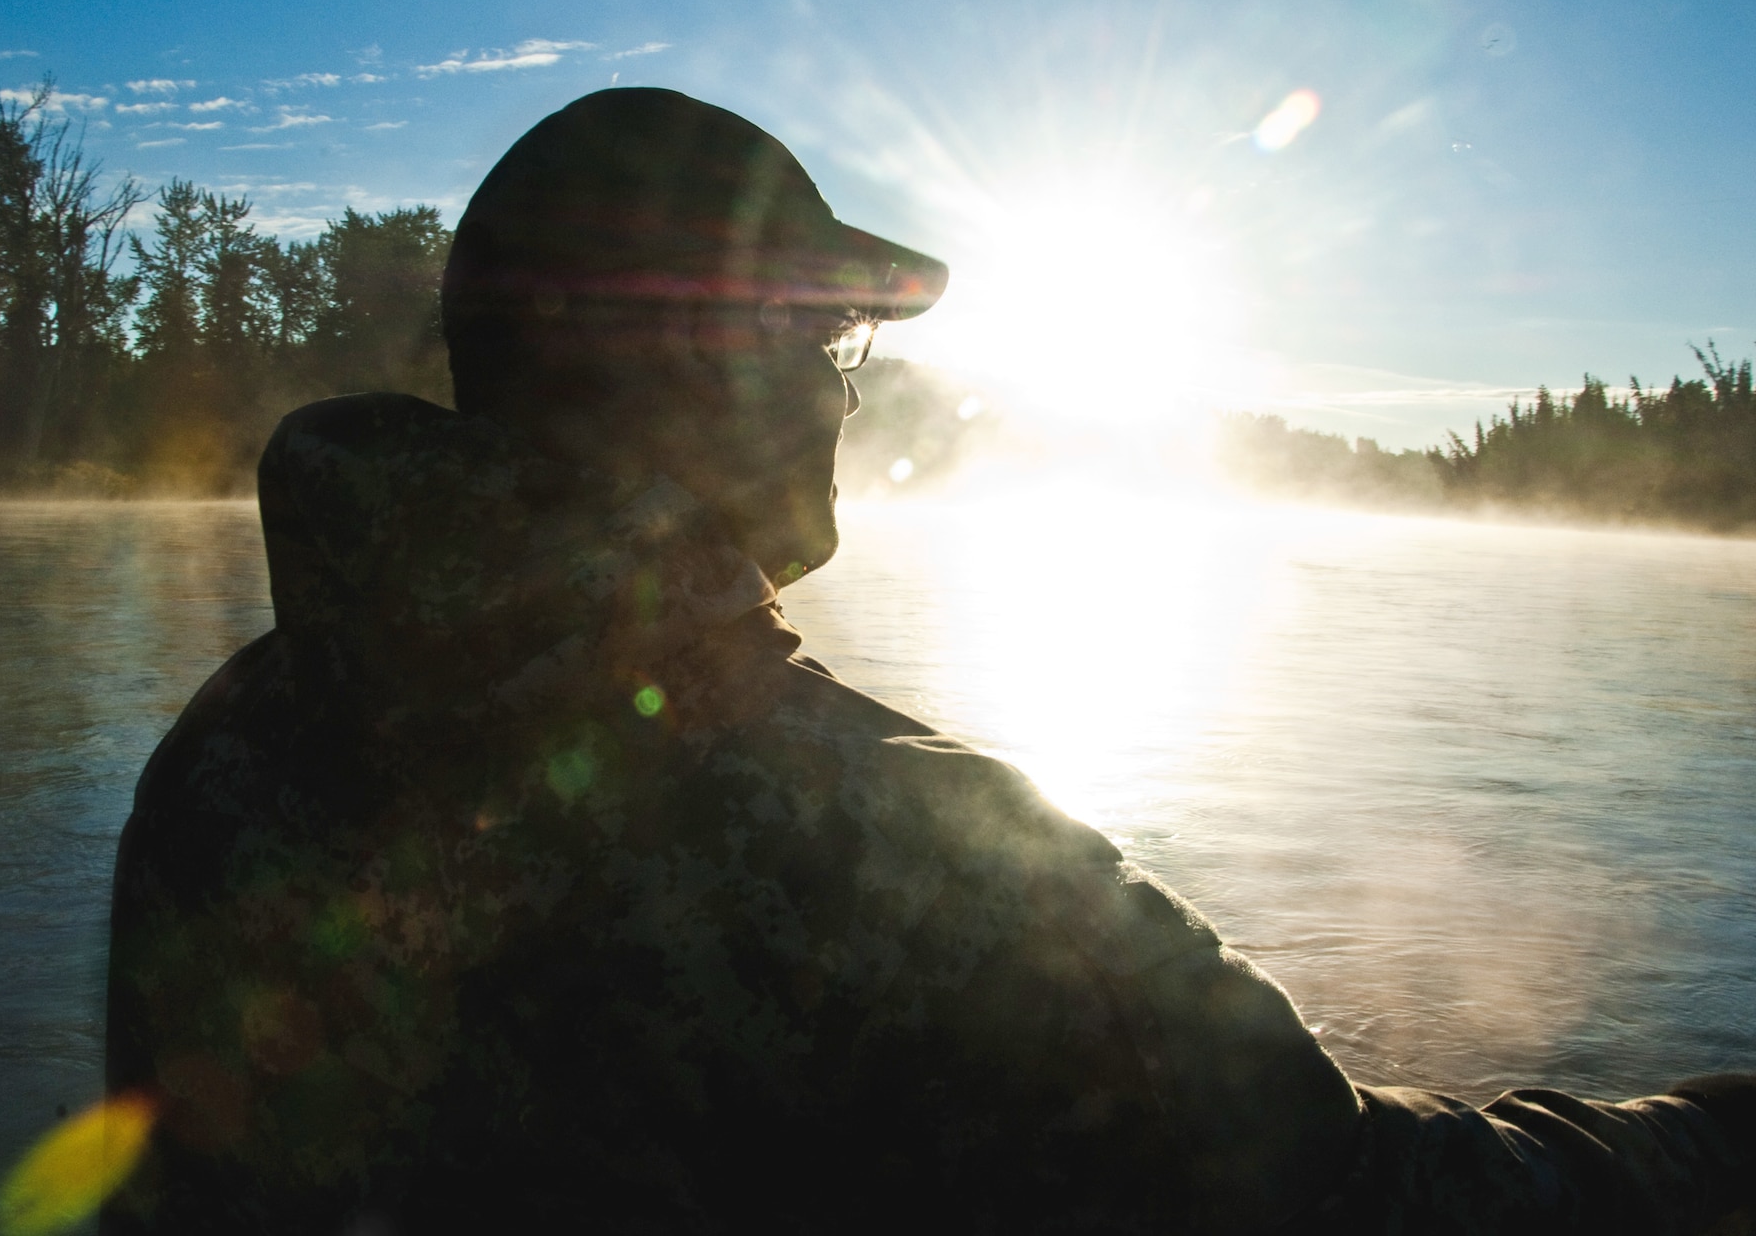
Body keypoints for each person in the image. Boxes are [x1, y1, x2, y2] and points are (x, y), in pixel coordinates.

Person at [102, 88, 1755, 1234]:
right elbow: (1364, 1214)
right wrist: (1708, 1143)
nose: (847, 393)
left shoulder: (228, 746)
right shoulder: (887, 844)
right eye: (826, 340)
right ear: (705, 363)